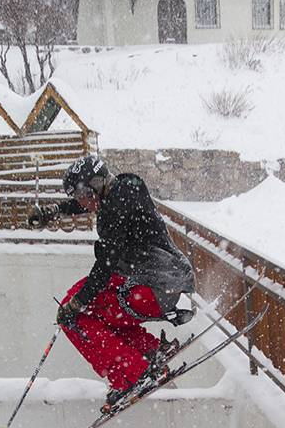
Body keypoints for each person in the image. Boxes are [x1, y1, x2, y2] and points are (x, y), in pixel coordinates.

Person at [26, 155, 197, 406]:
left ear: (93, 187)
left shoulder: (113, 210)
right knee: (80, 301)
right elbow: (93, 206)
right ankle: (149, 351)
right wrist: (57, 211)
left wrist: (77, 304)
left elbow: (104, 266)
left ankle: (131, 374)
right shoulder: (127, 188)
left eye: (80, 195)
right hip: (168, 280)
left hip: (149, 289)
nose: (81, 202)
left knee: (74, 317)